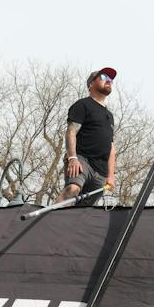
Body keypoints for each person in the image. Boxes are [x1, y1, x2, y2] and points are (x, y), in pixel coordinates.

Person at [62, 67, 118, 204]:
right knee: (72, 190)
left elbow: (111, 148)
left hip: (101, 171)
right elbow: (71, 132)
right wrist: (73, 158)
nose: (109, 81)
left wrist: (111, 176)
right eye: (104, 78)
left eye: (110, 79)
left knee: (85, 209)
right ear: (91, 84)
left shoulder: (109, 116)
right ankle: (49, 220)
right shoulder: (83, 105)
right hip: (82, 161)